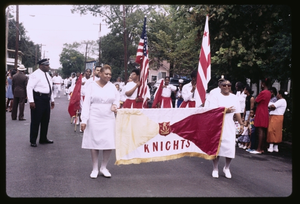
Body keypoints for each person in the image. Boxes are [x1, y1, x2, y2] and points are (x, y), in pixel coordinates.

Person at [80, 64, 120, 178]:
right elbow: (87, 103)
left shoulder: (112, 86)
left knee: (108, 142)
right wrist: (84, 120)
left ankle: (104, 167)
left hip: (108, 117)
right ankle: (94, 168)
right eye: (106, 74)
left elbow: (117, 99)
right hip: (95, 116)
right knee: (95, 143)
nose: (108, 76)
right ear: (100, 74)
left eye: (110, 74)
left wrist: (115, 105)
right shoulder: (91, 85)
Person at [205, 79, 243, 179]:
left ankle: (227, 167)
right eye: (224, 85)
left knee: (230, 147)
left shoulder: (234, 98)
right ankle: (215, 168)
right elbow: (213, 110)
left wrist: (241, 124)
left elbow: (237, 112)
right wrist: (225, 110)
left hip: (229, 125)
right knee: (217, 148)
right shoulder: (215, 96)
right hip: (217, 125)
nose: (226, 87)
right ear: (220, 86)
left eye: (229, 85)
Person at [26, 59, 55, 147]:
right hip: (38, 98)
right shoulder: (35, 75)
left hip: (46, 99)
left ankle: (43, 138)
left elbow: (50, 88)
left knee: (45, 120)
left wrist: (52, 100)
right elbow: (29, 87)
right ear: (41, 65)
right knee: (36, 120)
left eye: (48, 65)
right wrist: (31, 101)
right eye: (46, 65)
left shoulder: (47, 75)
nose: (48, 66)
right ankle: (33, 140)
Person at [250, 78, 271, 154]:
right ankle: (261, 148)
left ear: (263, 84)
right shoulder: (269, 92)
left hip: (261, 111)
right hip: (265, 111)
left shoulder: (263, 92)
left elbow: (256, 101)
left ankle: (258, 149)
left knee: (260, 130)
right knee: (263, 130)